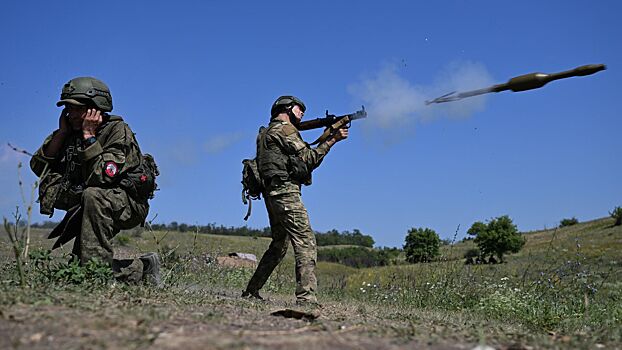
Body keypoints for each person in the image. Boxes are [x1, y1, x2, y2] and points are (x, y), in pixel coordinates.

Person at [30, 76, 160, 284]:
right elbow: (38, 168)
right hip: (91, 205)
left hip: (125, 204)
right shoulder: (68, 133)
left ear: (95, 109)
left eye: (76, 108)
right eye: (67, 108)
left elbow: (101, 176)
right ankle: (142, 269)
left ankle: (95, 276)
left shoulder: (117, 132)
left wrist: (89, 136)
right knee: (75, 269)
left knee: (93, 195)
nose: (70, 114)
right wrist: (62, 134)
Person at [242, 95, 348, 305]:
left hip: (271, 193)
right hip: (285, 192)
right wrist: (332, 140)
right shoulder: (285, 130)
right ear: (287, 109)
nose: (302, 113)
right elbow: (309, 159)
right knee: (306, 241)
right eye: (299, 109)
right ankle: (306, 298)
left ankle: (251, 291)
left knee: (279, 245)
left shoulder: (265, 133)